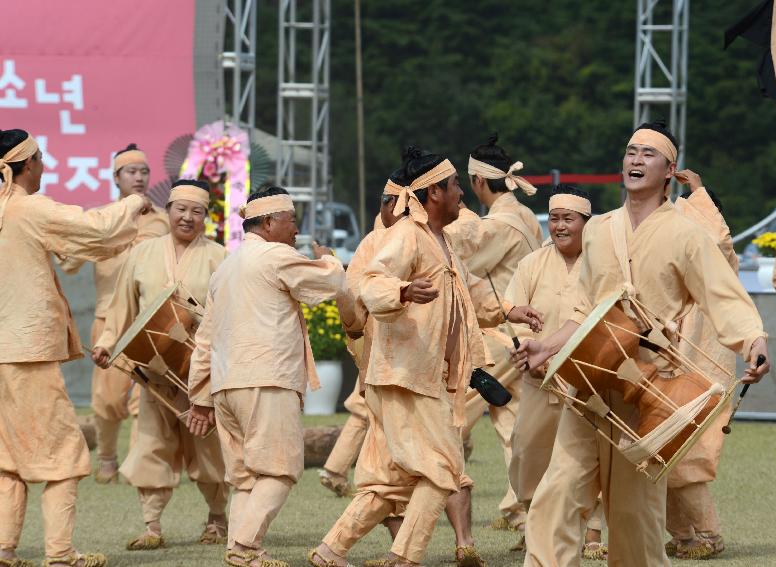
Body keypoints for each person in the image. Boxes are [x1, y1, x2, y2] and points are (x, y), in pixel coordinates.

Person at [511, 121, 770, 567]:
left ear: (670, 170)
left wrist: (754, 340)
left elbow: (722, 295)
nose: (635, 160)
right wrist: (547, 346)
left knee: (635, 518)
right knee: (557, 494)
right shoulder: (598, 229)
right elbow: (585, 309)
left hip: (648, 393)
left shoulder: (687, 234)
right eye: (630, 151)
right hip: (590, 385)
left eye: (648, 154)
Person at [309, 147, 542, 567]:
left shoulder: (442, 240)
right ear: (433, 193)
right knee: (445, 468)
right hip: (404, 375)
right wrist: (401, 292)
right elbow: (371, 282)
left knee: (392, 482)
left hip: (425, 376)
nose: (459, 194)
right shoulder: (407, 235)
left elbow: (467, 290)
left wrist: (509, 311)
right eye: (453, 187)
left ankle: (330, 551)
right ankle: (406, 558)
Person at [0, 128, 153, 567]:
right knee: (65, 455)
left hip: (7, 351)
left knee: (9, 454)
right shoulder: (29, 209)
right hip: (28, 352)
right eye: (42, 159)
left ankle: (7, 550)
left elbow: (87, 245)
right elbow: (95, 230)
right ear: (28, 165)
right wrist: (132, 203)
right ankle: (61, 554)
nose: (45, 165)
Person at [186, 186, 345, 567]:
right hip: (266, 381)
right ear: (270, 222)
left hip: (225, 388)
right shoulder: (276, 256)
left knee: (244, 478)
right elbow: (329, 284)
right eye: (292, 221)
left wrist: (200, 396)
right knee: (280, 470)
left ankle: (239, 553)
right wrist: (331, 260)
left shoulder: (224, 268)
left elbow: (204, 338)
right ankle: (244, 547)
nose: (296, 231)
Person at [91, 179, 229, 551]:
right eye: (180, 209)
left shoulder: (219, 256)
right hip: (154, 375)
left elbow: (230, 316)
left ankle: (217, 519)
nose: (187, 217)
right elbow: (121, 308)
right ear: (167, 210)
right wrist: (107, 343)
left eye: (196, 211)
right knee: (151, 446)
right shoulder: (142, 253)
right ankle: (152, 525)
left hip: (202, 377)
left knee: (209, 450)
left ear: (206, 217)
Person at [445, 134, 544, 533]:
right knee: (512, 424)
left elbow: (447, 250)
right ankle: (524, 509)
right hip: (521, 336)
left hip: (499, 339)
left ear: (477, 182)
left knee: (449, 417)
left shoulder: (498, 225)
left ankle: (395, 494)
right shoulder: (523, 216)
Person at [504, 184, 607, 559]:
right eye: (555, 219)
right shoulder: (532, 264)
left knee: (583, 459)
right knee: (527, 452)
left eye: (569, 219)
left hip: (586, 382)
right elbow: (512, 313)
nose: (560, 226)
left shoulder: (600, 264)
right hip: (538, 378)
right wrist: (529, 354)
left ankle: (591, 532)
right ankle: (536, 524)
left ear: (586, 223)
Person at [57, 143, 169, 483]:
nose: (138, 177)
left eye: (144, 172)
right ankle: (106, 457)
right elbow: (70, 260)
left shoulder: (163, 220)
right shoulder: (101, 220)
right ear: (116, 177)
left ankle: (138, 465)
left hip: (151, 321)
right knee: (107, 403)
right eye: (131, 172)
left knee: (145, 399)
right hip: (109, 321)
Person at [666, 170, 738, 559]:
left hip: (705, 376)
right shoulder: (675, 274)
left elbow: (716, 240)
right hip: (667, 373)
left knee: (687, 461)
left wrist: (696, 193)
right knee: (658, 460)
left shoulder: (720, 263)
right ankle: (683, 536)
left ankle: (709, 534)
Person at [319, 172, 406, 498]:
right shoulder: (381, 239)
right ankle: (378, 483)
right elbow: (358, 290)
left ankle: (337, 468)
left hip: (384, 337)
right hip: (384, 338)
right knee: (377, 409)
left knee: (364, 404)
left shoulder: (389, 234)